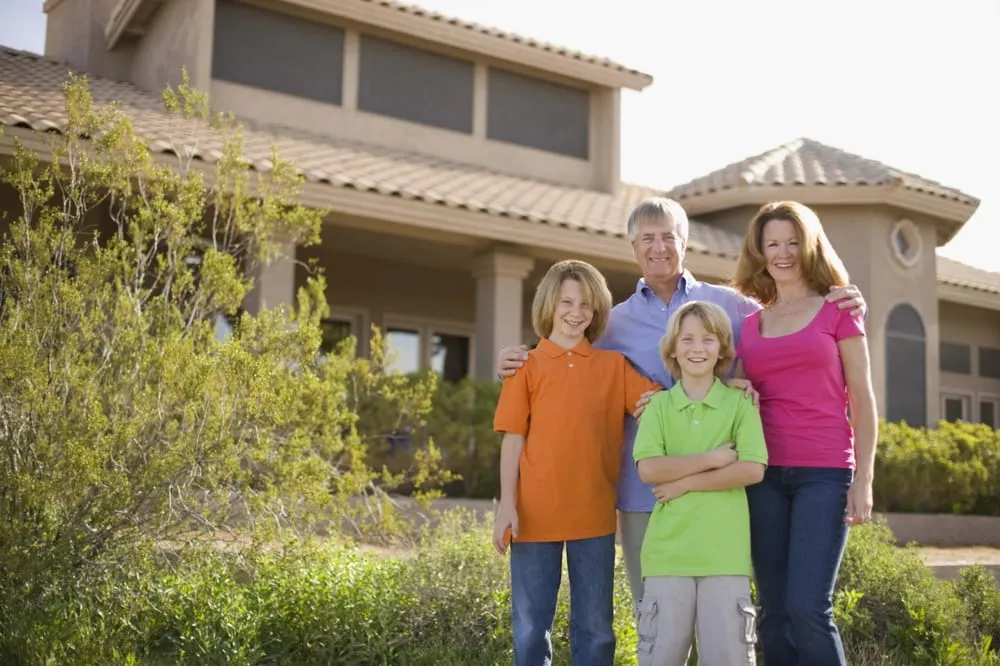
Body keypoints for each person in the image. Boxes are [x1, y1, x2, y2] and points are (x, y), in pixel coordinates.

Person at [496, 197, 867, 613]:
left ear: (685, 242)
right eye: (647, 238)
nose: (659, 247)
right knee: (654, 616)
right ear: (633, 246)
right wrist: (517, 360)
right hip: (644, 492)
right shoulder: (613, 323)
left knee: (717, 613)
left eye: (668, 237)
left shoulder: (733, 306)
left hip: (719, 486)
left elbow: (791, 321)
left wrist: (843, 298)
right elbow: (567, 361)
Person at [491, 259, 661, 666]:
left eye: (586, 304)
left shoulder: (613, 367)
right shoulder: (525, 367)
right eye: (567, 301)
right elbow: (513, 439)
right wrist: (506, 506)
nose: (576, 312)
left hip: (594, 516)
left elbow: (661, 406)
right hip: (533, 515)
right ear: (549, 305)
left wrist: (725, 387)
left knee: (597, 631)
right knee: (531, 629)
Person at [732, 201, 878, 666]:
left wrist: (864, 480)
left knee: (808, 606)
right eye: (773, 243)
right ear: (760, 251)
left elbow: (863, 398)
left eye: (793, 242)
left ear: (810, 245)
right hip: (764, 474)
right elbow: (731, 389)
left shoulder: (839, 309)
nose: (784, 253)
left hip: (825, 471)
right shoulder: (749, 324)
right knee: (774, 610)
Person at [632, 300, 768, 666]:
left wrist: (685, 484)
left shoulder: (740, 404)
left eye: (708, 340)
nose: (697, 348)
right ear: (672, 349)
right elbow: (649, 469)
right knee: (661, 658)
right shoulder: (657, 407)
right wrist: (712, 460)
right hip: (667, 557)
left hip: (725, 556)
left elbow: (753, 469)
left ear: (723, 348)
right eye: (687, 339)